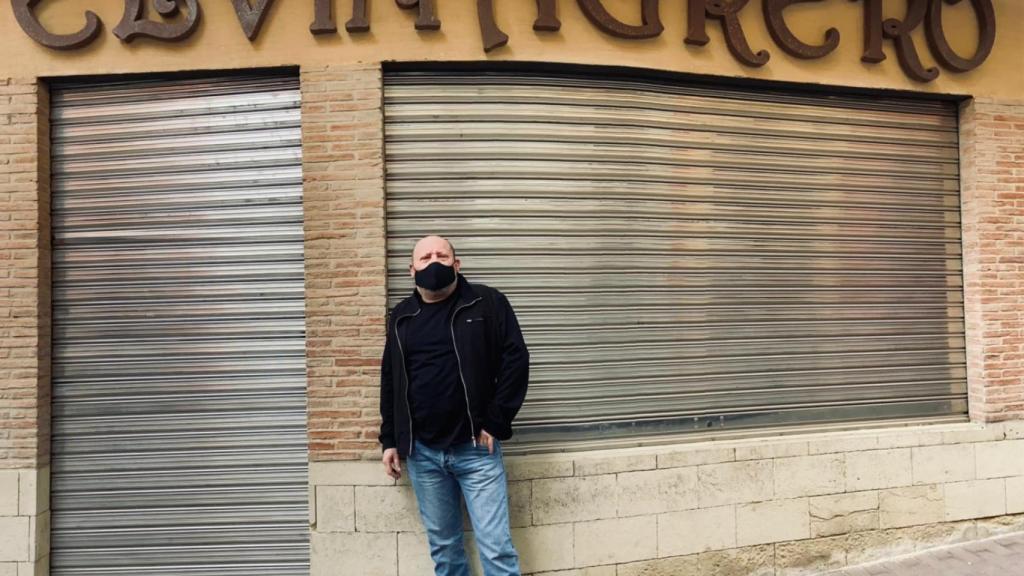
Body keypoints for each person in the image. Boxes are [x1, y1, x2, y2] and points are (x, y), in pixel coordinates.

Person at [379, 234, 530, 576]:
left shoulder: (487, 303)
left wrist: (496, 420)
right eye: (425, 257)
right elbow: (391, 378)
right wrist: (390, 438)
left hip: (476, 449)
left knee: (497, 551)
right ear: (411, 270)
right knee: (445, 552)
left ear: (456, 264)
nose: (434, 262)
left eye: (442, 256)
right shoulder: (401, 317)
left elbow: (516, 361)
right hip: (423, 455)